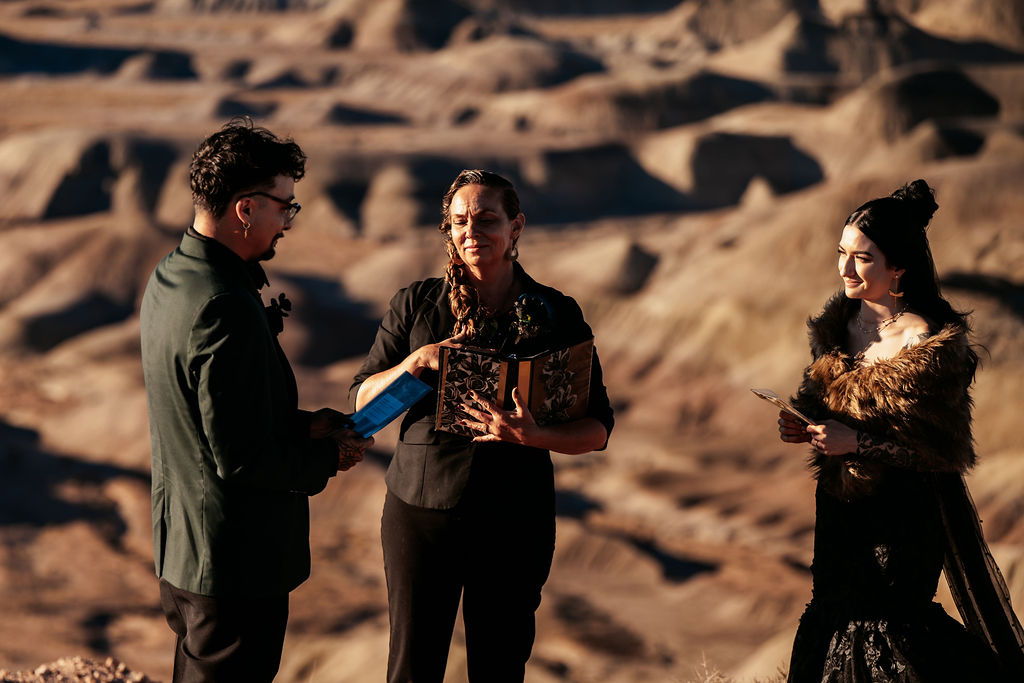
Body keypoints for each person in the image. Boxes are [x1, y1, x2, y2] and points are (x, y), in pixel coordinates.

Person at [350, 169, 614, 682]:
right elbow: (363, 408)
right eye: (460, 221)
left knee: (500, 668)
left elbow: (597, 429)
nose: (472, 231)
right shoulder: (416, 305)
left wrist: (532, 437)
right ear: (448, 230)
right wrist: (417, 362)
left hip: (516, 518)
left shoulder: (557, 313)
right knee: (412, 669)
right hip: (421, 514)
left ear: (516, 227)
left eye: (487, 219)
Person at [140, 119, 372, 683]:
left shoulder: (172, 274)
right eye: (284, 207)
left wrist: (303, 426)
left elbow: (209, 415)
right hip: (233, 565)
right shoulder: (224, 304)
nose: (288, 222)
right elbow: (240, 458)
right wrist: (329, 458)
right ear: (245, 209)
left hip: (186, 551)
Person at [778, 179, 1023, 682]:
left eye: (862, 258)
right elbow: (822, 401)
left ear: (899, 267)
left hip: (902, 520)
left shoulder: (928, 346)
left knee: (889, 630)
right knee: (833, 613)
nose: (845, 269)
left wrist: (857, 443)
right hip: (839, 512)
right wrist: (801, 424)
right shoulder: (836, 326)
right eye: (842, 253)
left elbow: (940, 456)